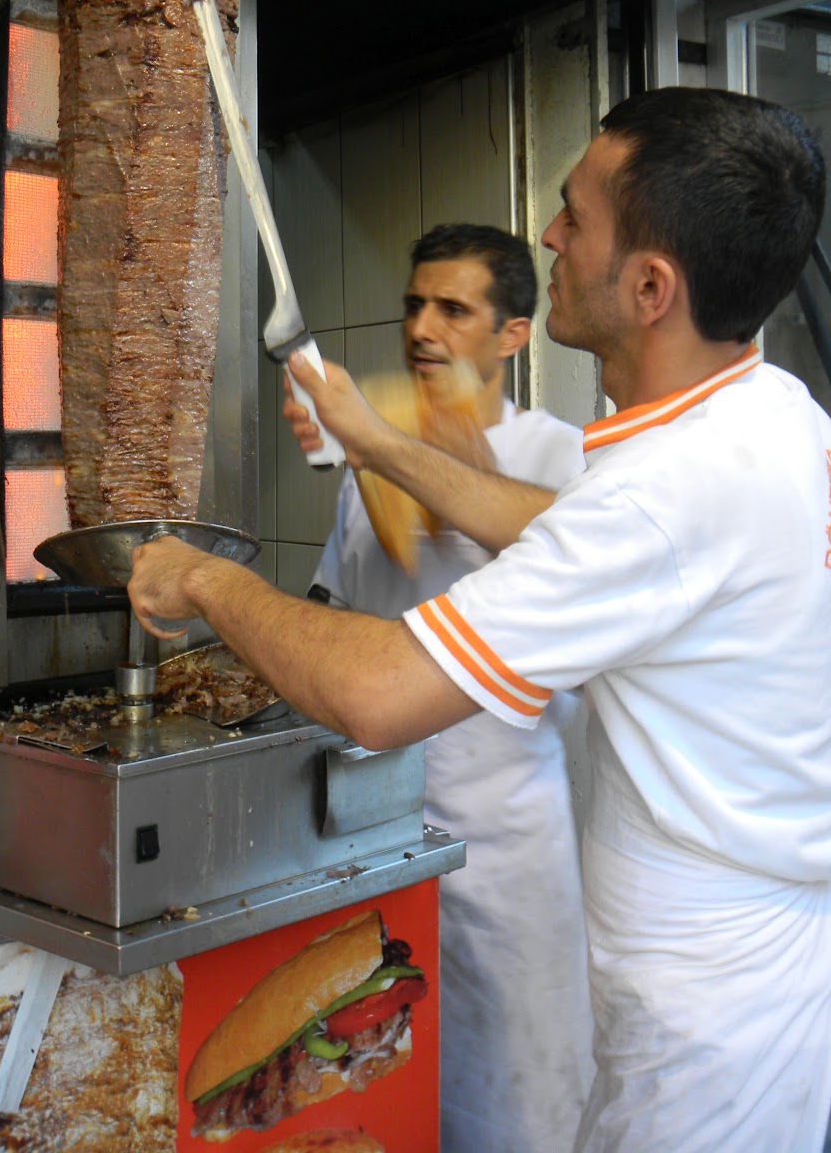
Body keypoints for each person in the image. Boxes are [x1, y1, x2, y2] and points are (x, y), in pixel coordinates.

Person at [128, 88, 831, 1153]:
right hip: (753, 969)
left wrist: (205, 580)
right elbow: (557, 527)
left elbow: (379, 691)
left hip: (702, 1027)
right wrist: (375, 437)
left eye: (576, 216)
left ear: (651, 286)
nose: (548, 232)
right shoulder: (770, 416)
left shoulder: (665, 492)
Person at [310, 222, 592, 1153]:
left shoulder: (565, 458)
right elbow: (337, 603)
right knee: (378, 1073)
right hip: (372, 826)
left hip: (505, 839)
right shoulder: (373, 461)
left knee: (518, 1088)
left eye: (454, 310)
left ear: (513, 334)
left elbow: (545, 549)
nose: (423, 330)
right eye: (414, 307)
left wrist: (403, 443)